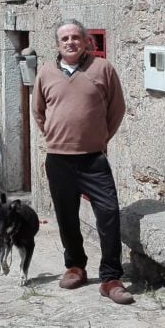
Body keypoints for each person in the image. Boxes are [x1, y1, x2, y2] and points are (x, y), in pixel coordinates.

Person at [32, 19, 133, 305]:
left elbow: (117, 108)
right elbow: (38, 111)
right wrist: (55, 135)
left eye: (76, 37)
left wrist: (100, 139)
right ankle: (75, 266)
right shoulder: (46, 73)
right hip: (58, 159)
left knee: (109, 212)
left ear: (86, 41)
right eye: (65, 38)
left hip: (93, 159)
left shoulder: (102, 69)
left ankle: (111, 277)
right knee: (66, 216)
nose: (70, 42)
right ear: (57, 44)